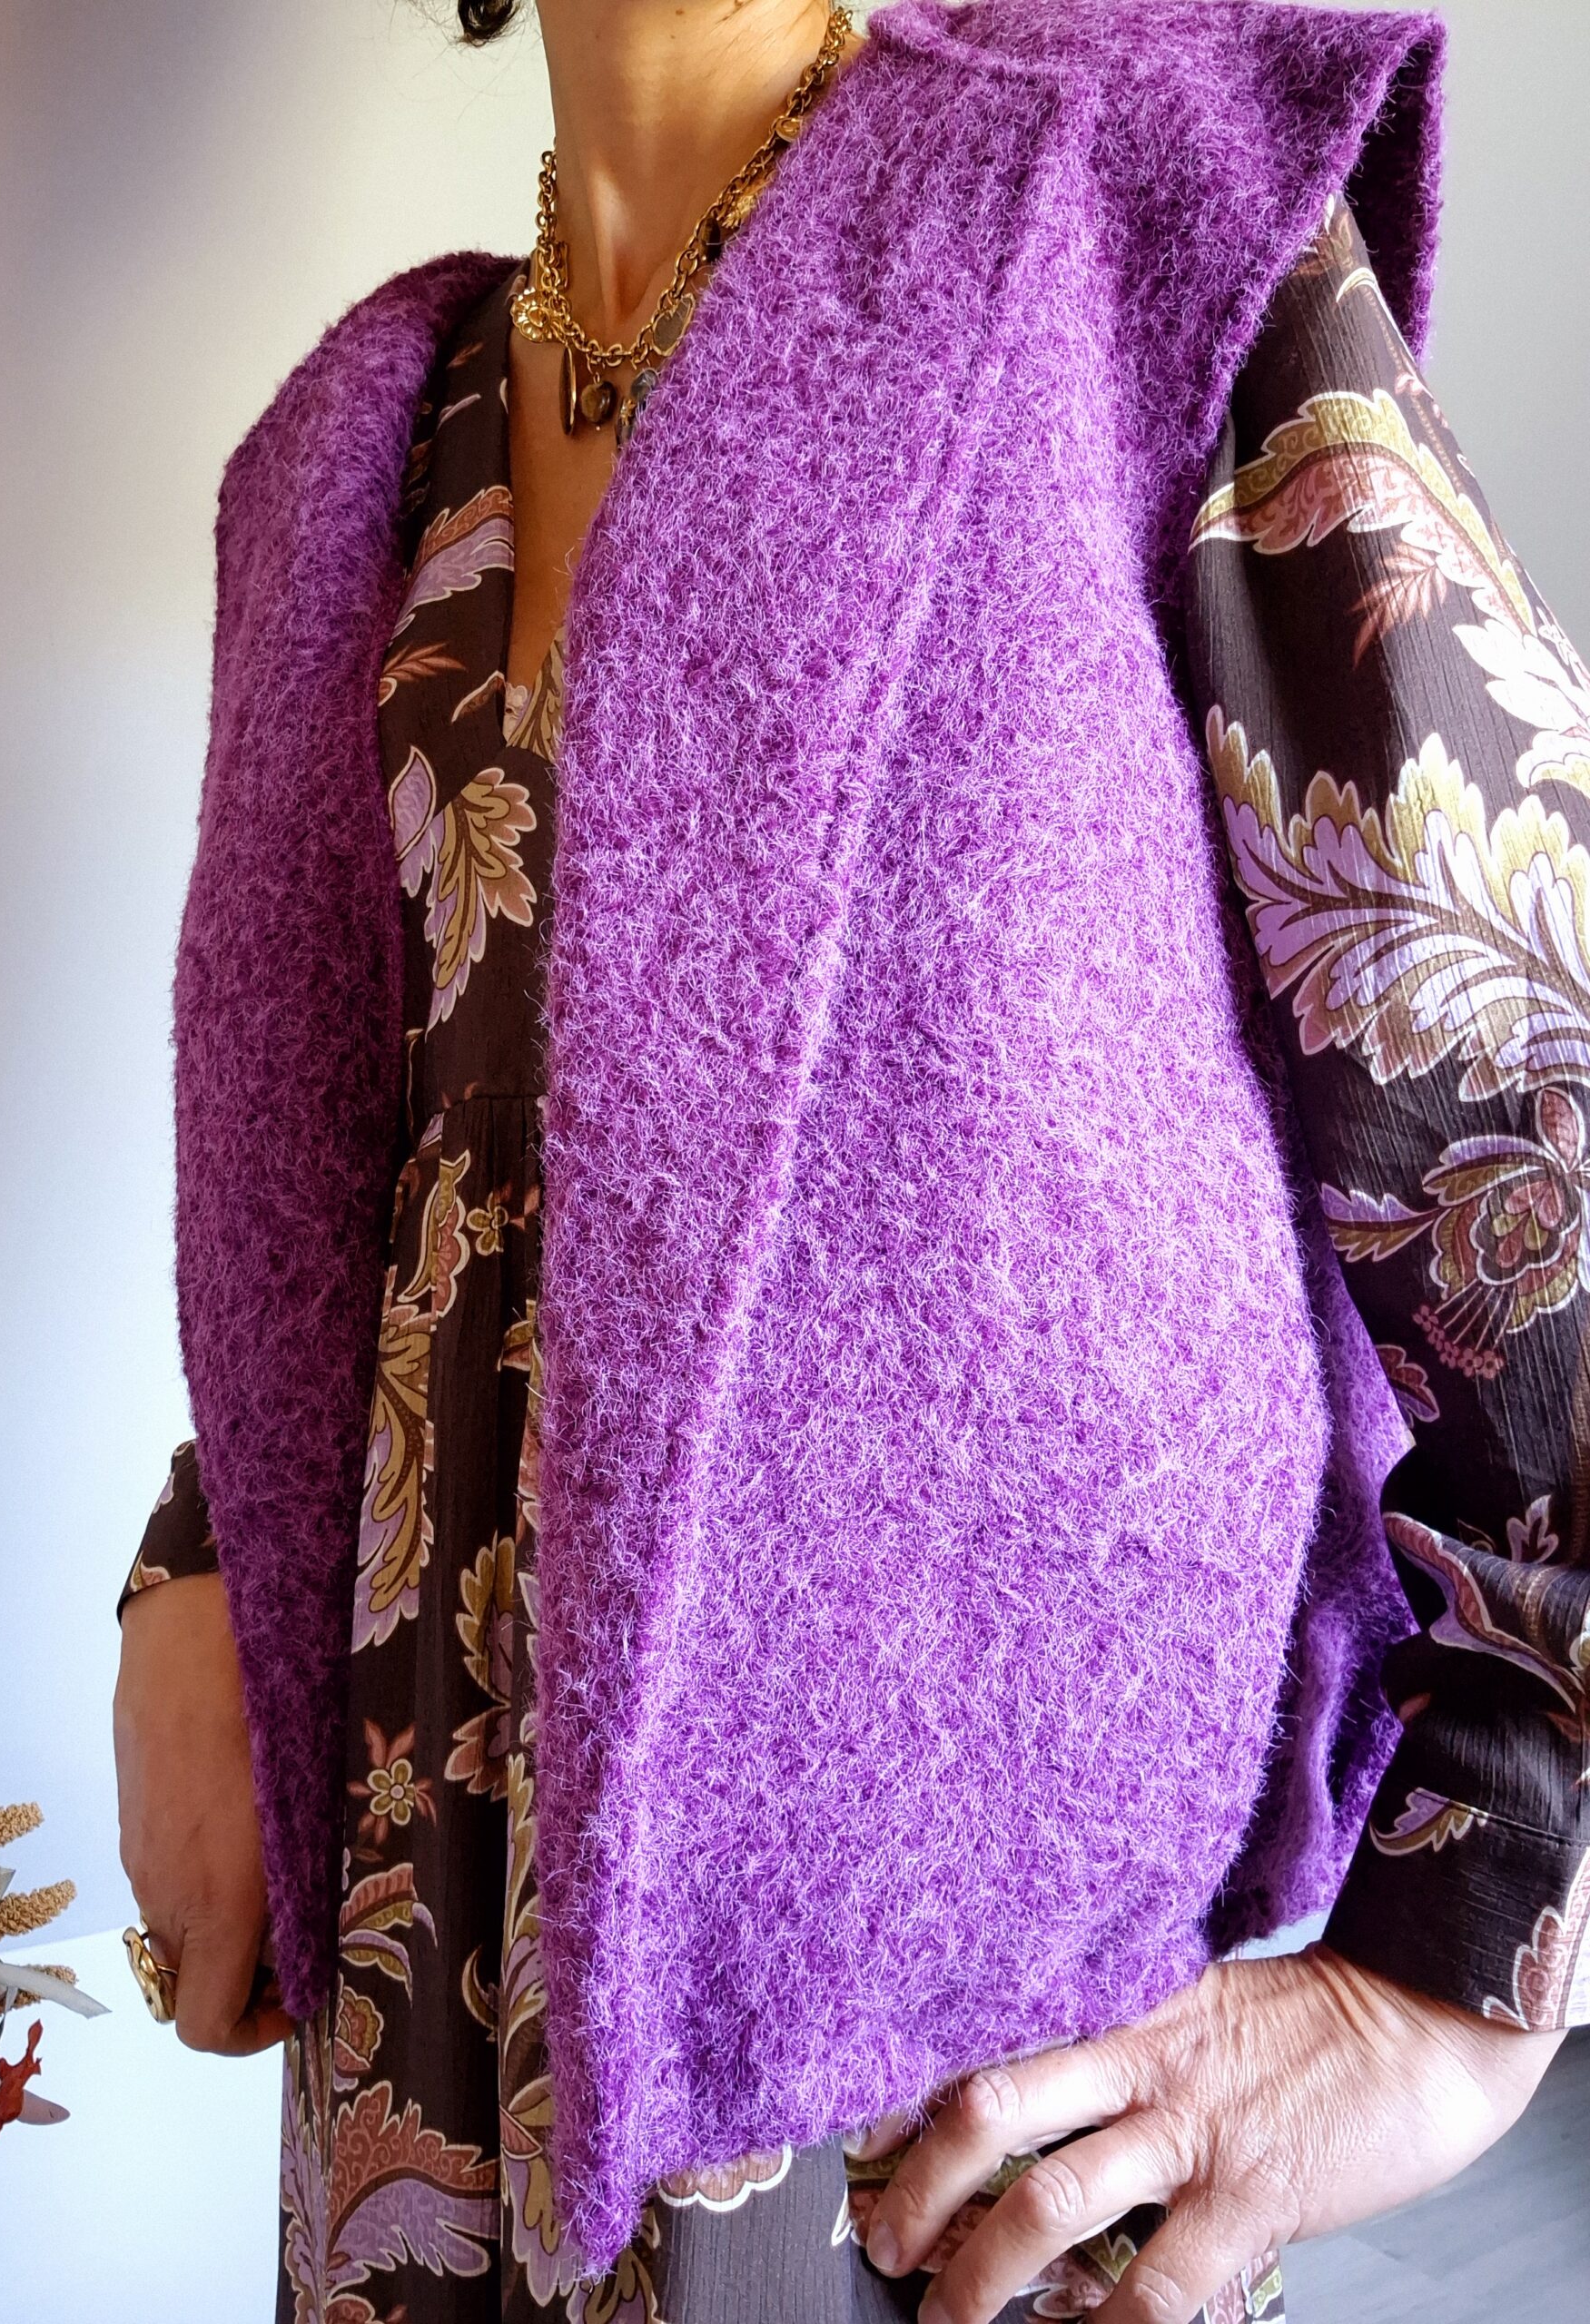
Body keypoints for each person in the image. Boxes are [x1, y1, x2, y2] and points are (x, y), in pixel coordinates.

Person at [113, 4, 1590, 2319]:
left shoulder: (1130, 209)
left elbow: (1531, 1085)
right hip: (420, 1991)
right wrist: (212, 1560)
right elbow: (388, 1168)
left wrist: (1465, 1951)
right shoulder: (369, 441)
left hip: (915, 2110)